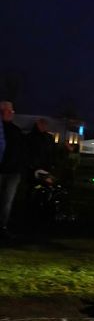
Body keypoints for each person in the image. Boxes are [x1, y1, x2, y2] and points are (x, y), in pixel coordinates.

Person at [0, 101, 28, 240]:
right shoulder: (3, 130)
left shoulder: (15, 130)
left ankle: (3, 226)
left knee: (7, 201)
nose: (12, 113)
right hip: (3, 169)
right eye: (9, 110)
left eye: (12, 111)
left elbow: (22, 149)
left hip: (13, 171)